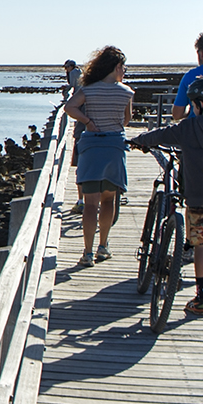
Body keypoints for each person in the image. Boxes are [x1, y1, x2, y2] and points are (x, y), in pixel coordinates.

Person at [133, 75, 203, 316]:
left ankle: (200, 299)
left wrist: (138, 140)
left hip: (197, 196)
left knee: (200, 245)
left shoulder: (188, 128)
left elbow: (160, 135)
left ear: (198, 104)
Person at [64, 47, 134, 266]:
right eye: (123, 67)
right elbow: (126, 120)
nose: (124, 70)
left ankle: (87, 252)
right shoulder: (126, 92)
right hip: (114, 146)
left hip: (91, 147)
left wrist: (88, 122)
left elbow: (70, 107)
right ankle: (103, 246)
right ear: (115, 67)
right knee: (108, 200)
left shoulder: (89, 89)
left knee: (91, 203)